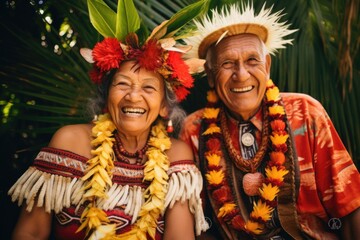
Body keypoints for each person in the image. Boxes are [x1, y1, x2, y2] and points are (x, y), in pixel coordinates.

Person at [8, 0, 209, 239]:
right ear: (107, 97)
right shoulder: (70, 141)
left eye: (148, 88)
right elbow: (30, 233)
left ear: (164, 107)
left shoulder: (176, 155)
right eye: (122, 84)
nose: (133, 96)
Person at [180, 3, 360, 240]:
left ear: (267, 66)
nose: (241, 74)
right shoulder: (194, 130)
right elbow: (195, 225)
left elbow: (350, 207)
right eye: (227, 63)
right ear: (211, 76)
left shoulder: (305, 113)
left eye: (252, 60)